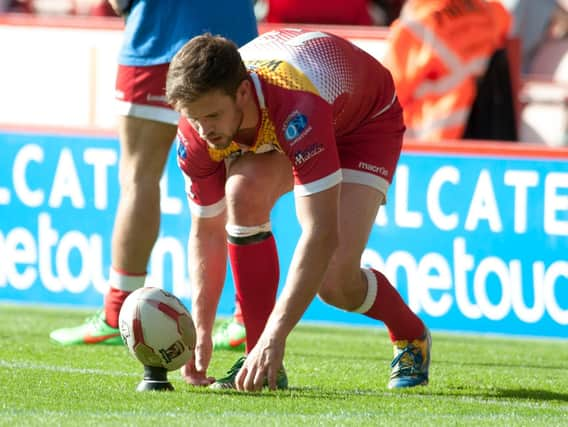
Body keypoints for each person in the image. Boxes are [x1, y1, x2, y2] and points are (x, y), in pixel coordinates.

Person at [166, 28, 431, 391]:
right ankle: (256, 358)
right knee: (242, 193)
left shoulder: (295, 106)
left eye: (212, 116)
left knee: (335, 281)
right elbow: (207, 230)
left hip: (365, 123)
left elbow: (320, 232)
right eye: (194, 118)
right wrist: (202, 329)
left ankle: (410, 334)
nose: (203, 129)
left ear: (242, 92)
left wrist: (277, 334)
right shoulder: (197, 131)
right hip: (299, 113)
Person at [49, 0, 257, 363]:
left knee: (139, 178)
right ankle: (246, 320)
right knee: (243, 181)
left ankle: (117, 313)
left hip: (156, 40)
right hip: (232, 43)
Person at [383, 0, 512, 142]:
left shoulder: (416, 24)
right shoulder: (490, 11)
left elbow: (386, 97)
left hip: (431, 141)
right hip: (487, 134)